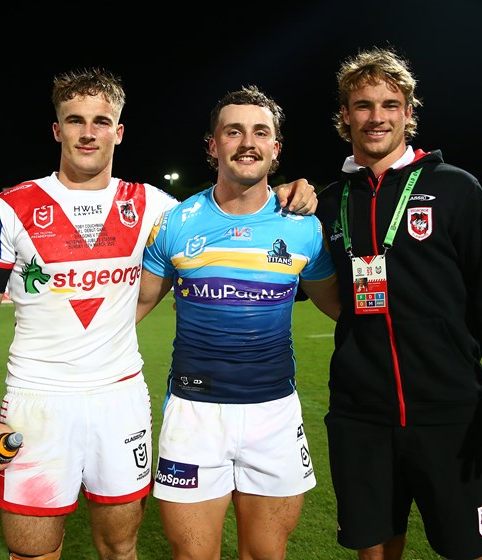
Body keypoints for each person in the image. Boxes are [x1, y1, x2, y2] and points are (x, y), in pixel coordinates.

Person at [0, 68, 318, 560]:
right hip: (37, 399)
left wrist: (291, 190)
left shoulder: (154, 208)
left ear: (118, 131)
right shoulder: (13, 206)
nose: (89, 132)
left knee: (121, 547)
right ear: (57, 129)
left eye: (101, 120)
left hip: (120, 401)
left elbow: (225, 210)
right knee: (31, 551)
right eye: (76, 120)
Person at [314, 47, 482, 560]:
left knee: (473, 552)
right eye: (364, 105)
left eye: (390, 105)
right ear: (344, 116)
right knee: (374, 552)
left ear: (409, 113)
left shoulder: (456, 189)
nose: (377, 117)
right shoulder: (329, 203)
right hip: (361, 416)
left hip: (451, 412)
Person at [136, 85, 340, 559]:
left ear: (275, 148)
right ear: (212, 145)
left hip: (273, 413)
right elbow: (133, 308)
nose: (247, 142)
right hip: (193, 414)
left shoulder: (304, 226)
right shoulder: (176, 222)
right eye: (233, 131)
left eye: (259, 132)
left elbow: (342, 311)